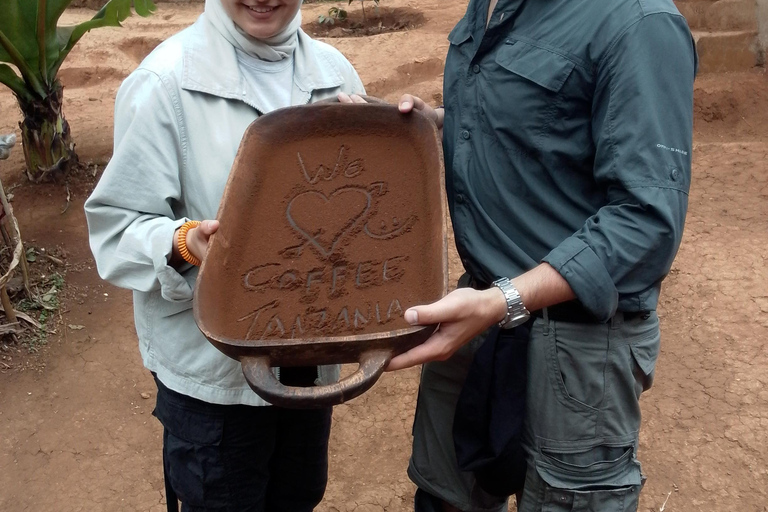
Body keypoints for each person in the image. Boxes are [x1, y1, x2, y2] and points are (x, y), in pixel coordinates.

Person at [347, 0, 696, 510]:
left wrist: (504, 301)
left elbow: (646, 221)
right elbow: (540, 125)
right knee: (445, 496)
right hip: (479, 314)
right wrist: (434, 124)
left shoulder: (638, 21)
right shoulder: (489, 7)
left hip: (578, 347)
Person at [84, 1, 364, 510]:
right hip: (214, 385)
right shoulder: (162, 83)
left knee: (298, 495)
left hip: (309, 360)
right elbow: (115, 230)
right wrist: (184, 243)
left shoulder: (336, 74)